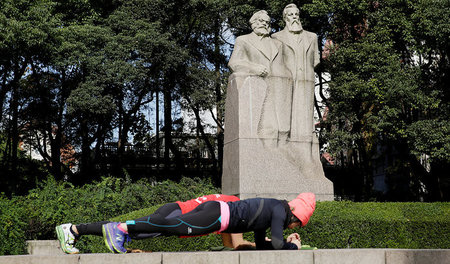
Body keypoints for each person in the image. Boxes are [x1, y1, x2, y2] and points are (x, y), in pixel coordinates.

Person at [102, 192, 315, 253]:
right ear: (297, 217)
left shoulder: (270, 213)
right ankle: (121, 227)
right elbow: (278, 244)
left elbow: (262, 245)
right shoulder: (280, 209)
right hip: (217, 217)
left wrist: (279, 242)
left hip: (215, 212)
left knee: (170, 227)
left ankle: (120, 229)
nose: (295, 228)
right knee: (171, 226)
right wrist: (292, 246)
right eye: (299, 225)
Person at [56, 194, 254, 254]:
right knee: (128, 228)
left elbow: (230, 244)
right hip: (176, 215)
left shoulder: (234, 206)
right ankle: (73, 229)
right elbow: (237, 245)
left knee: (130, 230)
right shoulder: (235, 206)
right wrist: (264, 243)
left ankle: (74, 230)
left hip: (175, 212)